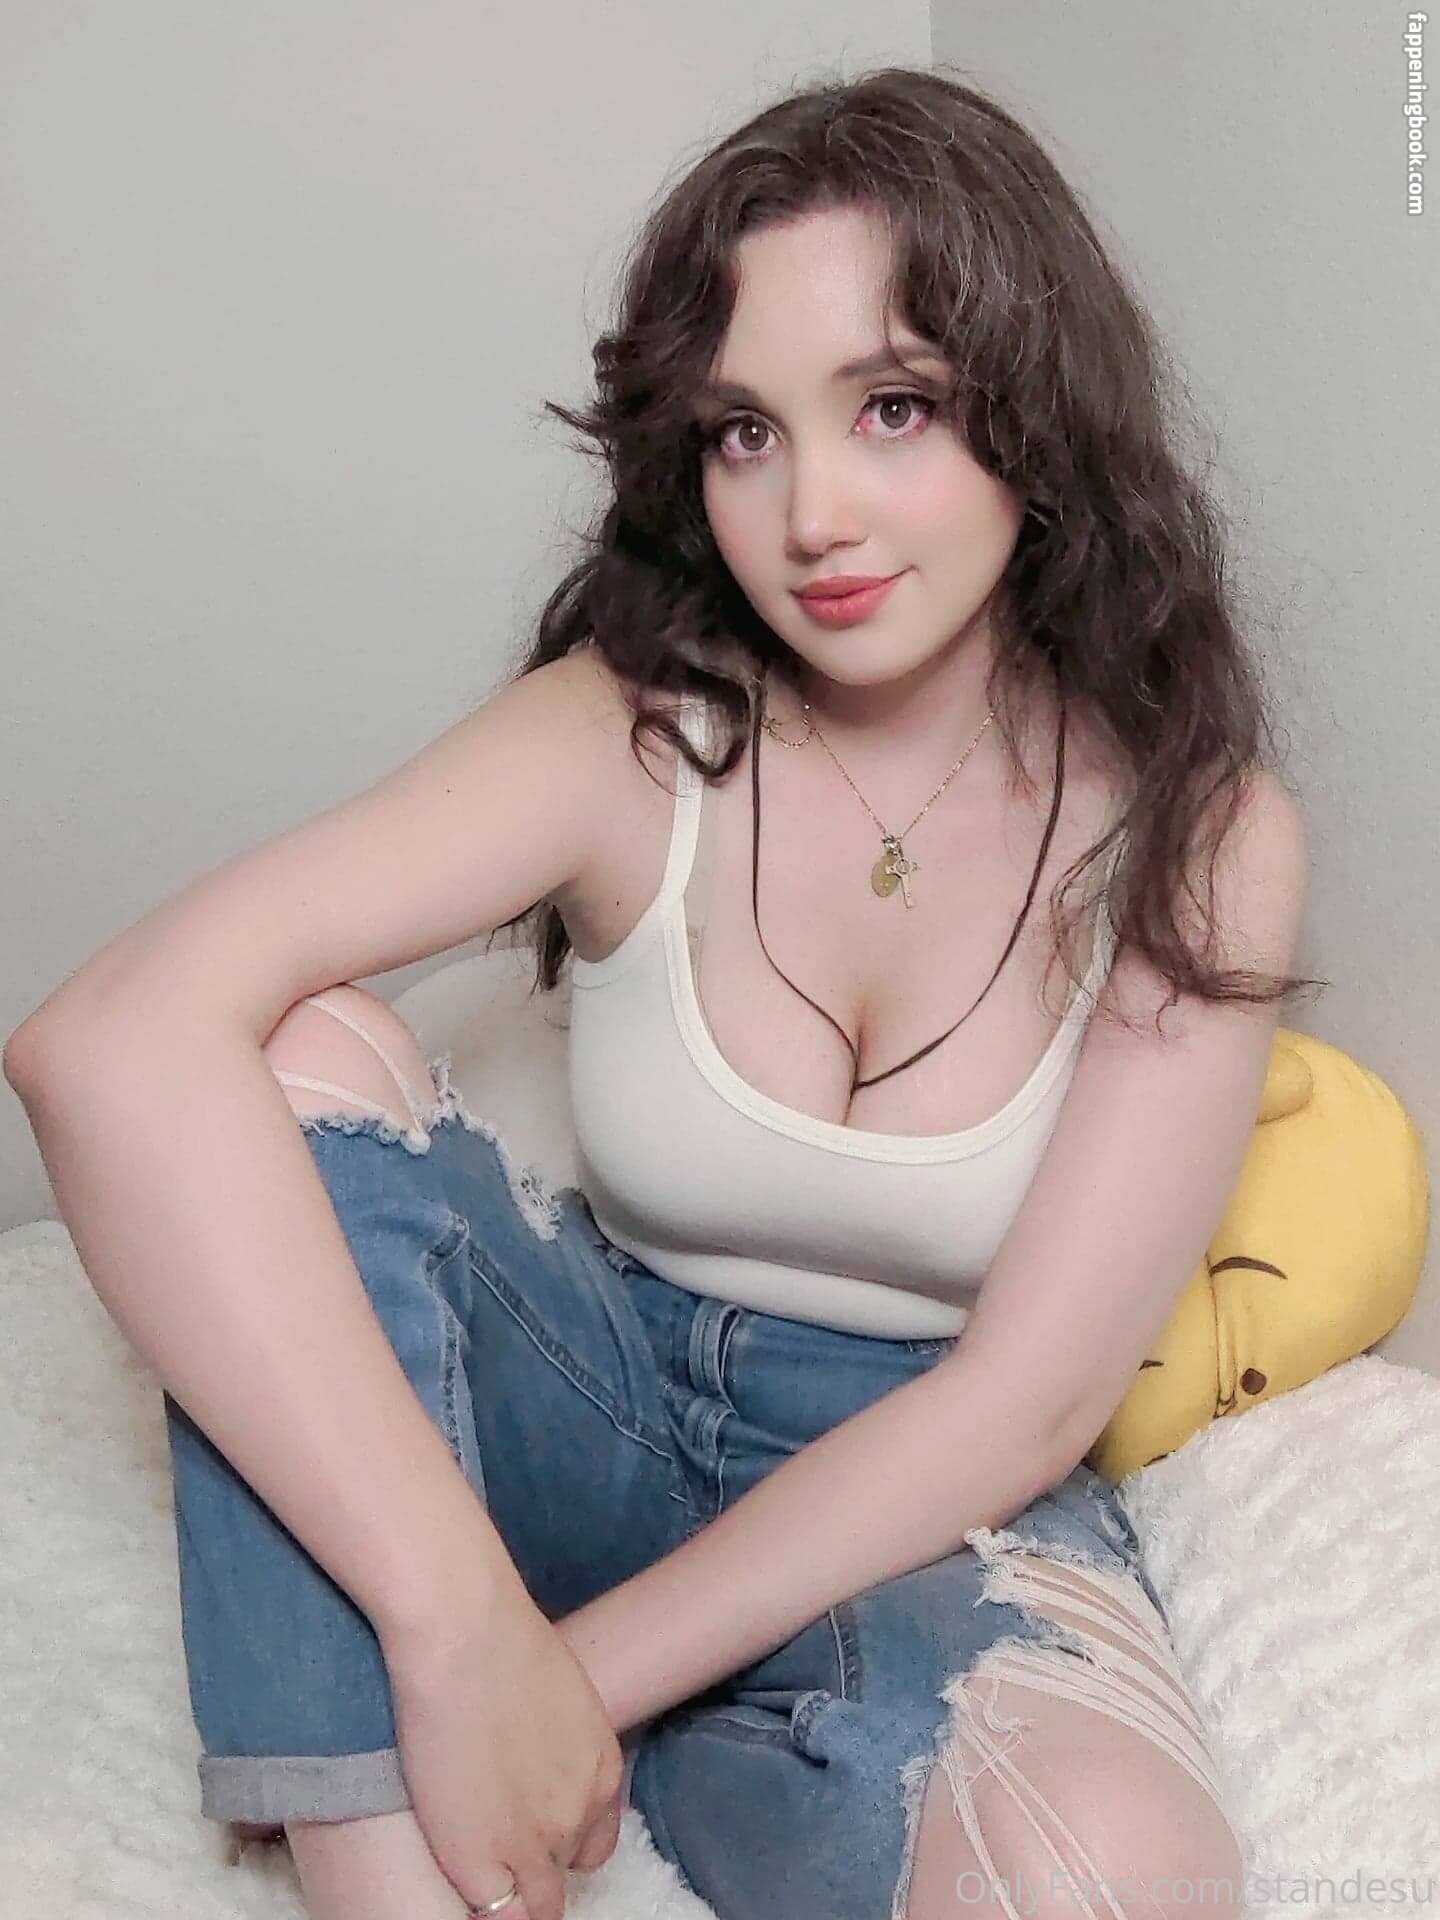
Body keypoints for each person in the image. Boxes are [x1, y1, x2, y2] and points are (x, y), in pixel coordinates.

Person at [4, 64, 1318, 1920]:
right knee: (279, 1061)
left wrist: (559, 1685)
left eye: (891, 406)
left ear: (1037, 408)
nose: (814, 514)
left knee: (1123, 1874)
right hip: (589, 1417)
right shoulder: (632, 729)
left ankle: (652, 1749)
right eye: (744, 432)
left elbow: (1024, 1408)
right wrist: (453, 1623)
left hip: (921, 1510)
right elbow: (101, 1043)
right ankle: (392, 1883)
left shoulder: (1197, 827)